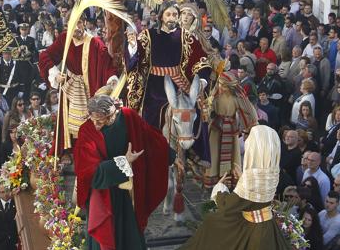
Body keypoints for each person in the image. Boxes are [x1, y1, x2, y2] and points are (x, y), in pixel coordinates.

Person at [74, 95, 173, 250]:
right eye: (93, 119)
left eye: (100, 120)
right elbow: (90, 173)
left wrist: (170, 156)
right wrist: (123, 162)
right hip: (103, 195)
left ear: (113, 114)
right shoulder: (87, 131)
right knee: (106, 237)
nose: (96, 125)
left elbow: (150, 138)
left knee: (129, 234)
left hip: (128, 193)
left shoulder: (128, 117)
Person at [180, 125, 293, 250]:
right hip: (267, 224)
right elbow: (255, 198)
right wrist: (243, 180)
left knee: (211, 222)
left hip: (253, 230)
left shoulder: (251, 179)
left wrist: (220, 187)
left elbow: (227, 206)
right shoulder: (272, 172)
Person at [126, 0, 211, 129]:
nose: (172, 18)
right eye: (168, 14)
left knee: (194, 112)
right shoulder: (148, 35)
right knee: (150, 116)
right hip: (154, 85)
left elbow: (199, 59)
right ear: (161, 16)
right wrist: (132, 47)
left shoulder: (185, 36)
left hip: (179, 83)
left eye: (175, 15)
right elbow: (138, 57)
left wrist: (202, 80)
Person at [38, 14, 117, 151]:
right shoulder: (64, 39)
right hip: (70, 89)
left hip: (89, 89)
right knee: (68, 124)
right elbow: (45, 56)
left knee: (90, 122)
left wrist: (111, 80)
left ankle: (90, 152)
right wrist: (55, 74)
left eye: (79, 23)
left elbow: (107, 64)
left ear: (85, 23)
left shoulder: (95, 42)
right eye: (73, 24)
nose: (76, 27)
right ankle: (69, 152)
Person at [205, 71, 258, 188]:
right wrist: (208, 110)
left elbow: (248, 111)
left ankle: (230, 179)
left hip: (230, 129)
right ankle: (213, 180)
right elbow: (207, 109)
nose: (220, 87)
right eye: (219, 84)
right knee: (214, 154)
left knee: (232, 157)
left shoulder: (238, 97)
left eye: (223, 85)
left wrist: (250, 128)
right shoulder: (215, 95)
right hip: (216, 129)